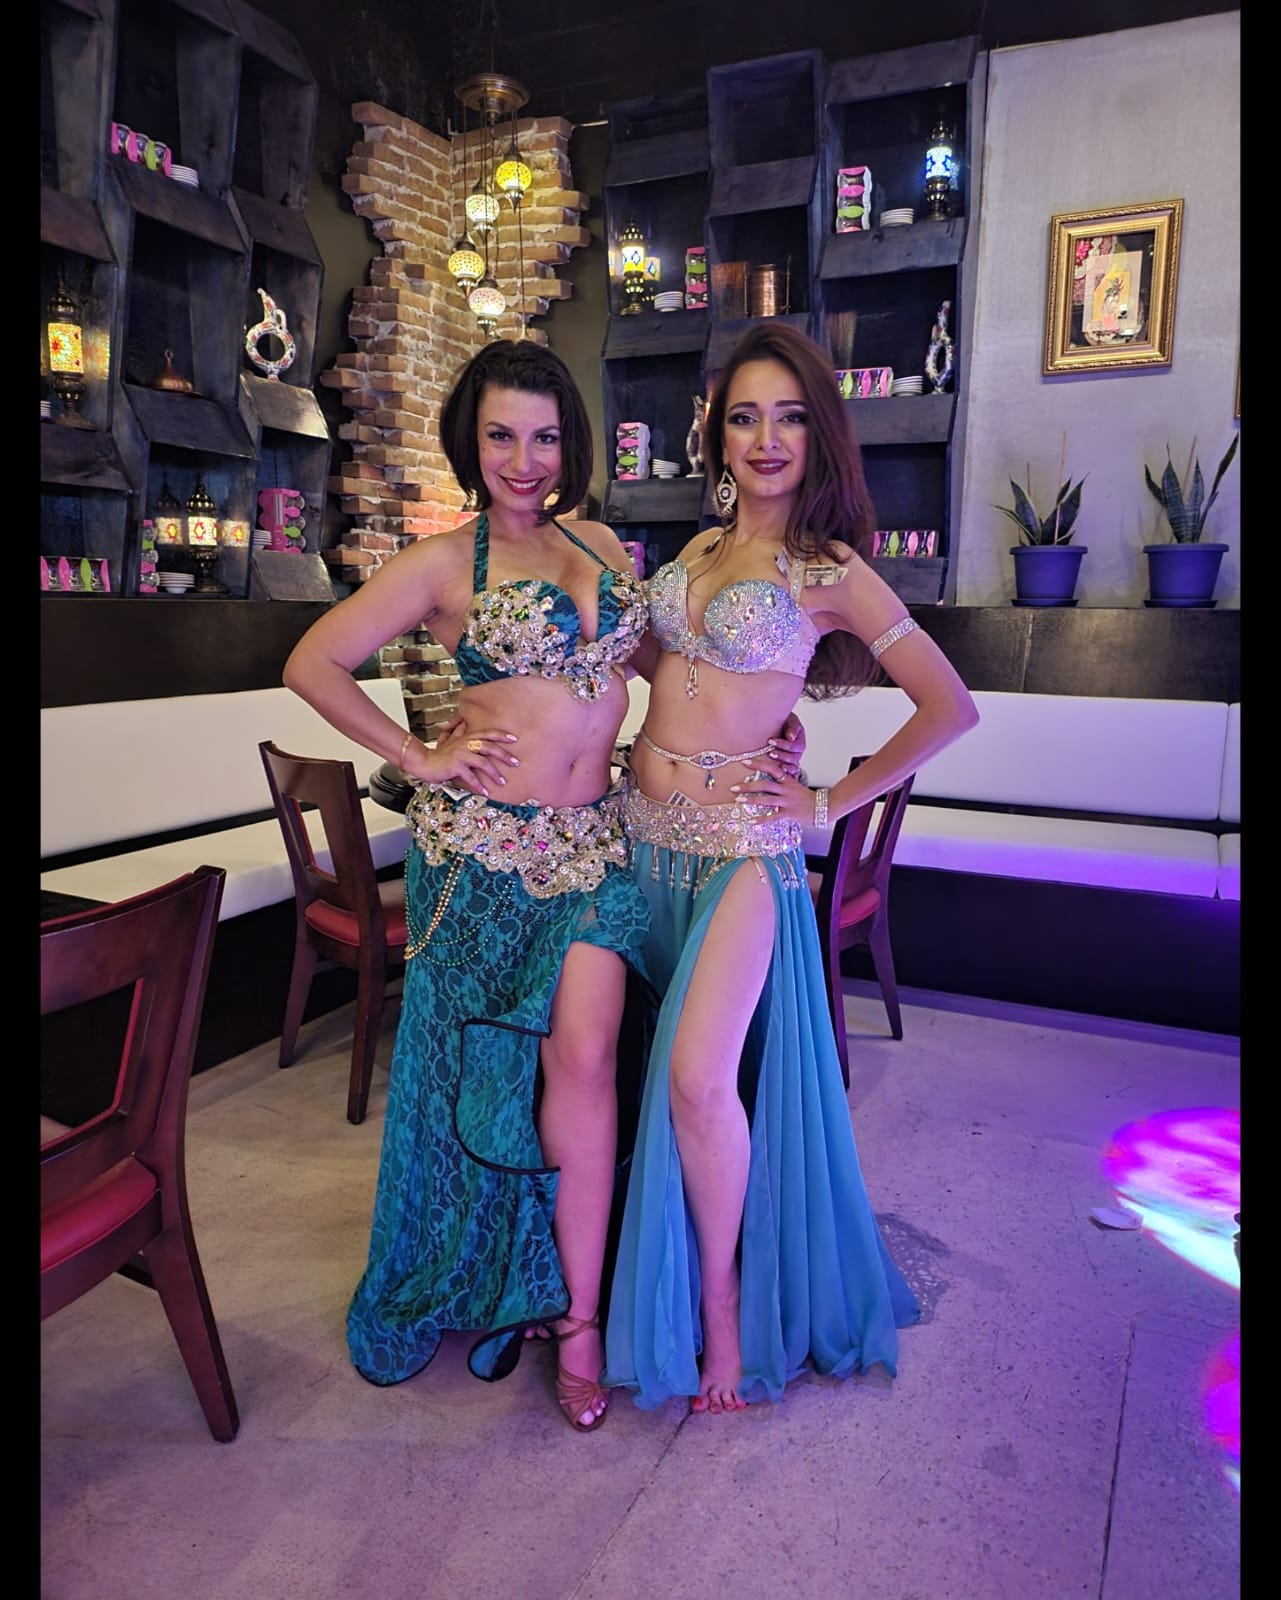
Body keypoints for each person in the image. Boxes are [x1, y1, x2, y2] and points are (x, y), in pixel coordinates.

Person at [281, 338, 803, 1432]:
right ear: (470, 443)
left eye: (546, 437)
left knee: (585, 1065)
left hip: (595, 850)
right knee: (483, 1073)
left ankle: (580, 1319)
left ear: (571, 443)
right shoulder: (442, 562)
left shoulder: (600, 544)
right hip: (482, 859)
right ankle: (499, 1266)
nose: (525, 461)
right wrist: (419, 754)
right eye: (502, 437)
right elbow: (312, 662)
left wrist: (762, 717)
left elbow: (669, 666)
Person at [604, 322, 980, 1415]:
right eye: (744, 417)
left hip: (742, 857)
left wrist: (825, 802)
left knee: (694, 1077)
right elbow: (662, 667)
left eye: (790, 417)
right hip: (640, 841)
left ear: (819, 436)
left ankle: (724, 1311)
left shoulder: (829, 571)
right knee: (628, 1073)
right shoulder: (692, 552)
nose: (766, 438)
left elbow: (950, 707)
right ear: (715, 436)